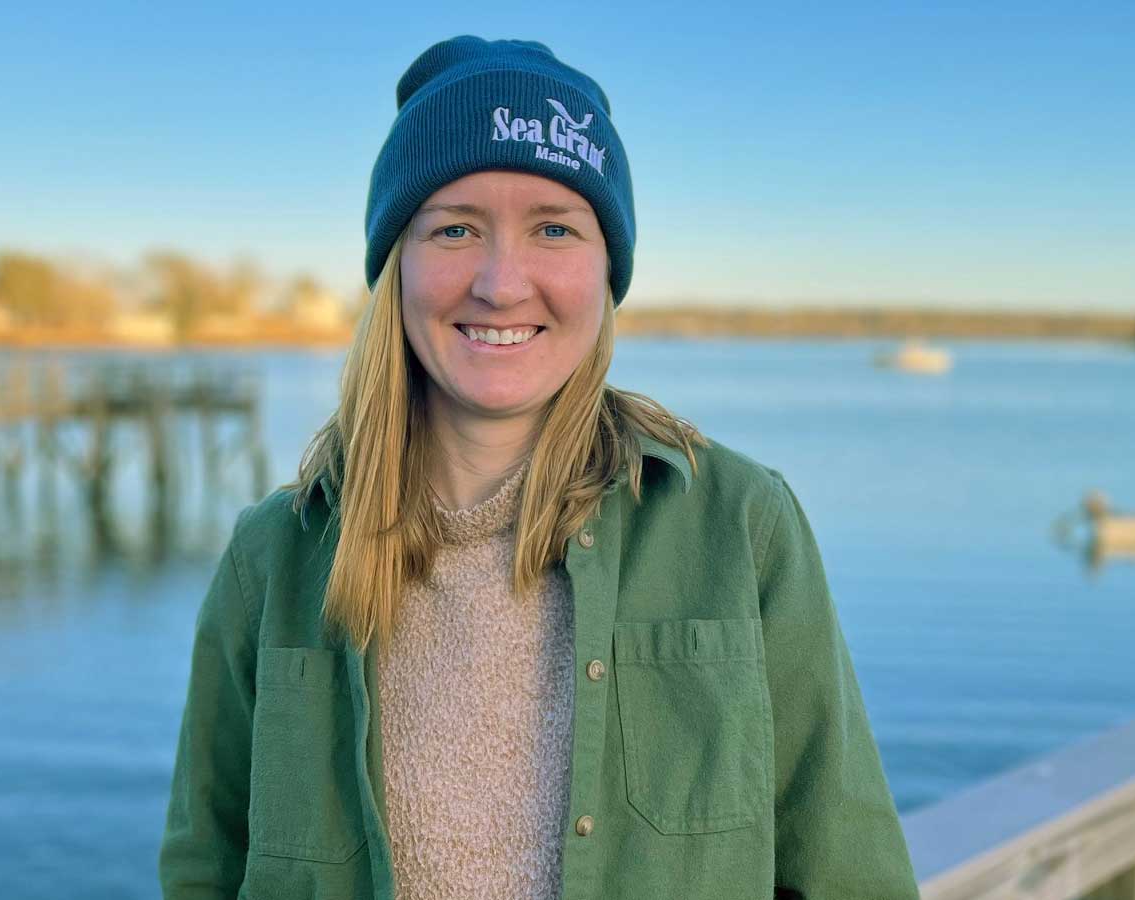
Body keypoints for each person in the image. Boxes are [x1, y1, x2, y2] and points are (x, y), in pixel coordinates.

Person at [158, 34, 919, 900]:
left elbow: (849, 878)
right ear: (395, 267)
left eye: (554, 229)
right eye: (455, 229)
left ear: (606, 269)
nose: (501, 283)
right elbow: (204, 869)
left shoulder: (741, 525)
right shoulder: (274, 555)